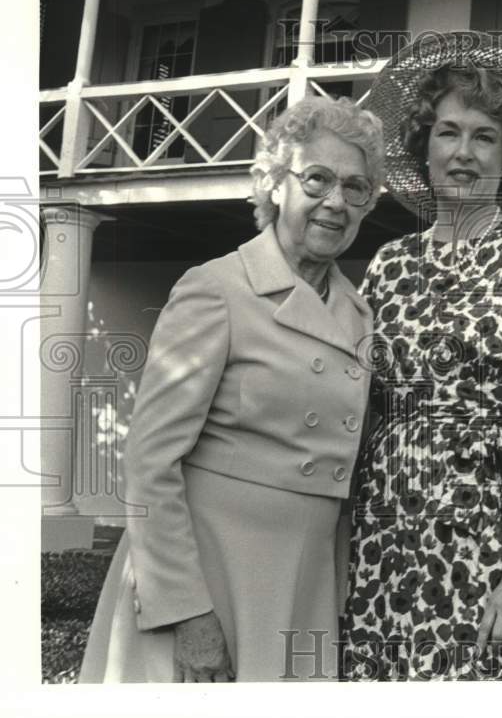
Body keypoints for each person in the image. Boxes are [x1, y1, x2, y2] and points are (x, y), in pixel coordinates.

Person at [79, 96, 384, 682]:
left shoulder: (358, 313)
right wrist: (186, 613)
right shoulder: (216, 289)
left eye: (356, 187)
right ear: (274, 184)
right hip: (207, 582)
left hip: (305, 583)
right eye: (316, 179)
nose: (335, 202)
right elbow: (149, 463)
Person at [342, 32, 502, 681]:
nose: (464, 152)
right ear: (422, 147)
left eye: (485, 136)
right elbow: (354, 413)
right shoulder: (387, 268)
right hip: (382, 553)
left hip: (493, 561)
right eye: (448, 132)